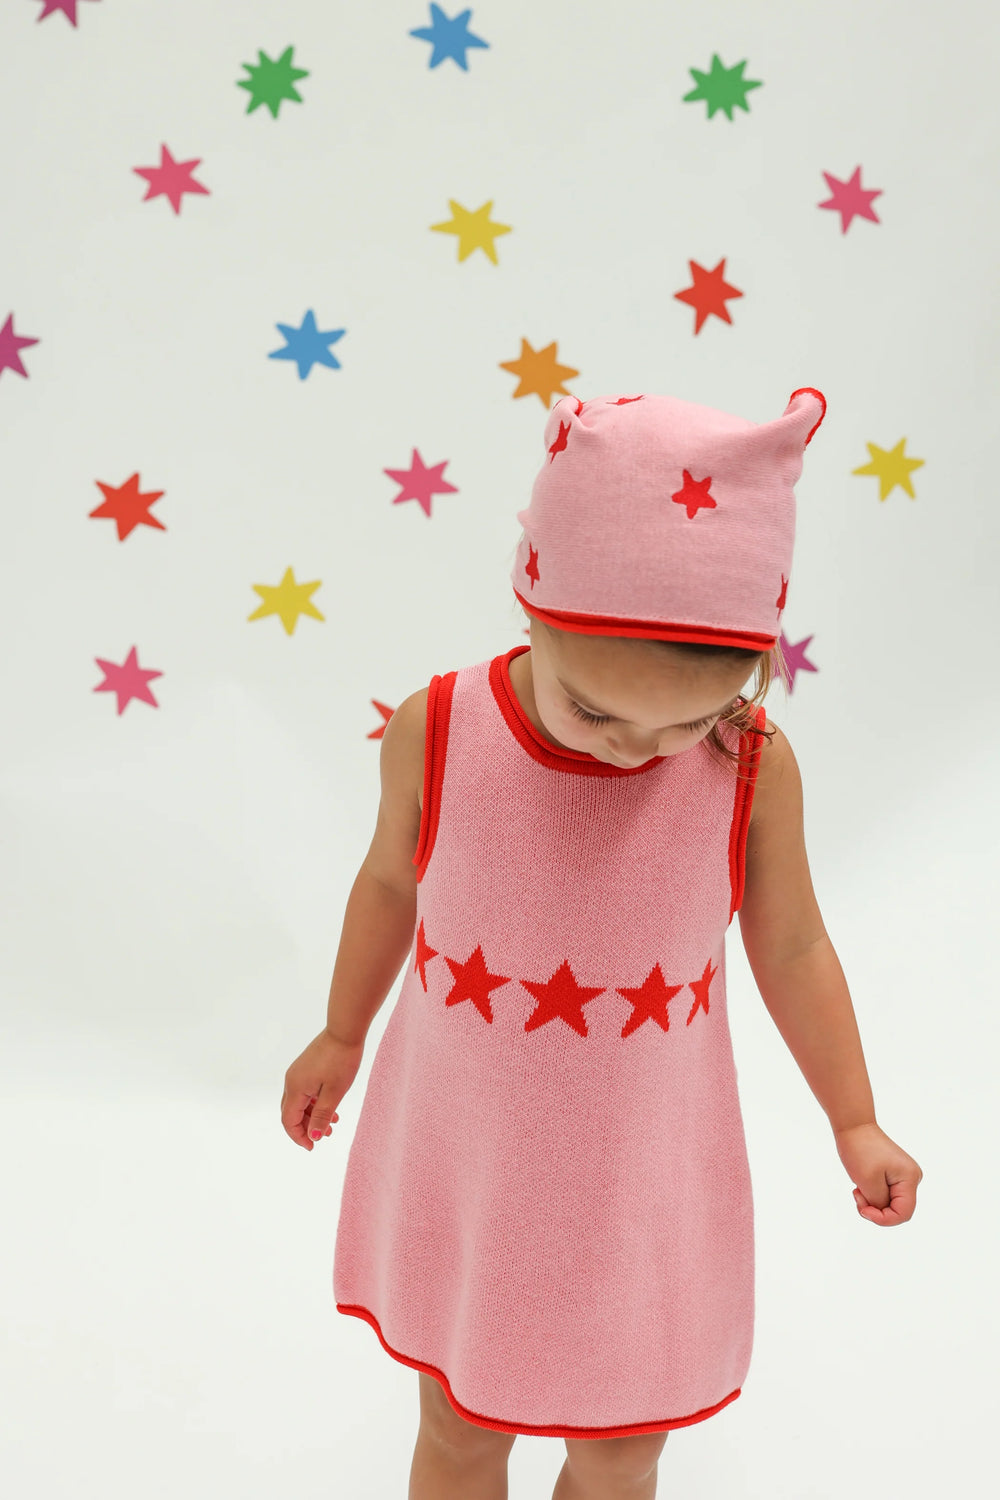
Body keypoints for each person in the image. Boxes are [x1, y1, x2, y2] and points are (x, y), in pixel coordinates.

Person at [281, 388, 924, 1500]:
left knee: (622, 1451)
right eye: (594, 712)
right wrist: (341, 1033)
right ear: (532, 610)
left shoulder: (750, 767)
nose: (639, 752)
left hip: (640, 1185)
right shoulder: (439, 730)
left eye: (687, 721)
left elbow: (795, 948)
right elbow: (389, 878)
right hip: (472, 1161)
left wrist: (853, 1117)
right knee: (459, 1425)